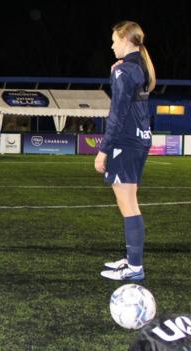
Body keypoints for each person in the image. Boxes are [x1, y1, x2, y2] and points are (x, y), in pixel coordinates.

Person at [96, 21, 156, 281]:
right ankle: (132, 262)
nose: (111, 45)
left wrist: (103, 150)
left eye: (114, 40)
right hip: (140, 139)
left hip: (125, 142)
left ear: (125, 40)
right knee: (129, 202)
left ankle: (135, 269)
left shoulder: (124, 71)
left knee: (128, 204)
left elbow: (117, 115)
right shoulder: (138, 67)